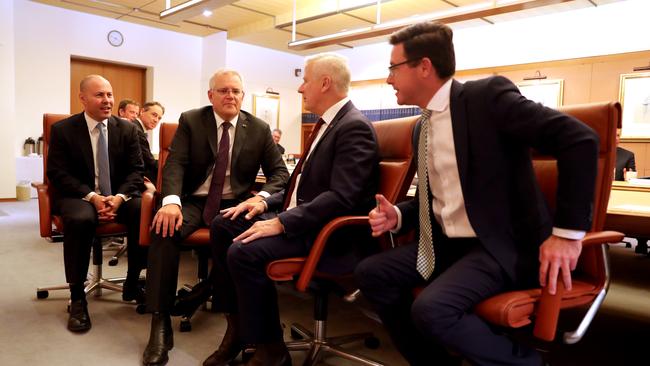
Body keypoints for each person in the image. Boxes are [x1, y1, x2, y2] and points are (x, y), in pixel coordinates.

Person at [354, 22, 599, 366]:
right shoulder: (421, 127)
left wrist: (567, 234)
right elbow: (440, 200)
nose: (388, 79)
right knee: (371, 272)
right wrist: (399, 215)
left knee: (432, 309)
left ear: (424, 67)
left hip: (501, 245)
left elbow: (580, 140)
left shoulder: (485, 98)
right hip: (448, 245)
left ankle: (526, 363)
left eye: (393, 68)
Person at [202, 53, 379, 366]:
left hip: (328, 233)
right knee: (223, 224)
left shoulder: (354, 127)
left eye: (305, 80)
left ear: (325, 83)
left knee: (242, 252)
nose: (300, 88)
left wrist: (282, 222)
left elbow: (342, 197)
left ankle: (271, 350)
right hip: (306, 220)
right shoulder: (327, 125)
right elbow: (300, 188)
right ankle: (239, 327)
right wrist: (263, 201)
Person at [142, 69, 289, 366]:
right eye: (223, 91)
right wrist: (170, 201)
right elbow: (176, 165)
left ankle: (234, 323)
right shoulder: (192, 120)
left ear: (243, 96)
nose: (230, 96)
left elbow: (280, 174)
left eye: (235, 91)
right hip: (194, 200)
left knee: (242, 246)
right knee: (164, 231)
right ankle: (160, 324)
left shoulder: (259, 128)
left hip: (235, 205)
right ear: (211, 96)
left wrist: (260, 199)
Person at [47, 75, 146, 332]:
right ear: (82, 98)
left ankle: (133, 282)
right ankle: (78, 295)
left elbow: (137, 170)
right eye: (99, 95)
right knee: (81, 219)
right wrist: (92, 196)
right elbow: (57, 173)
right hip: (79, 195)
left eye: (110, 95)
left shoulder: (127, 129)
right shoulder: (63, 130)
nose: (107, 101)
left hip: (118, 195)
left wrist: (119, 197)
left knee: (142, 209)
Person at [133, 101, 165, 182]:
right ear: (142, 111)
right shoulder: (136, 130)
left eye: (159, 118)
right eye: (154, 115)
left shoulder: (137, 128)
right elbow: (149, 162)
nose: (156, 120)